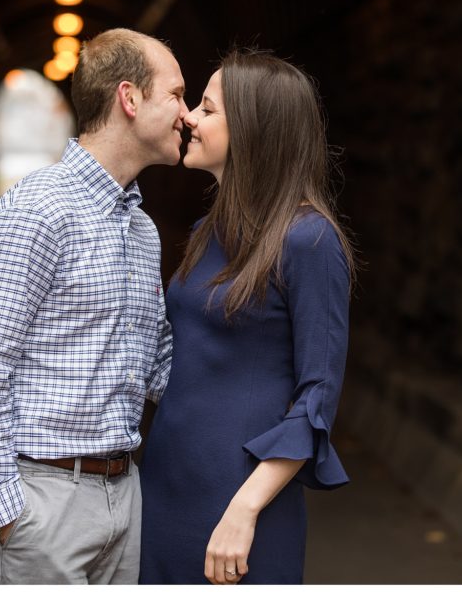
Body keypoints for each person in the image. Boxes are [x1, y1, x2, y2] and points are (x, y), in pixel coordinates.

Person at [0, 28, 187, 584]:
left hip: (124, 497)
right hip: (42, 501)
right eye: (176, 94)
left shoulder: (142, 230)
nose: (188, 113)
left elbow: (156, 367)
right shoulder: (34, 212)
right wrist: (10, 512)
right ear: (130, 98)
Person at [139, 49, 356, 584]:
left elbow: (316, 401)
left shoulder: (309, 240)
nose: (188, 116)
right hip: (165, 483)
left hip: (238, 501)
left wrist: (244, 511)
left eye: (208, 110)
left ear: (254, 132)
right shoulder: (207, 230)